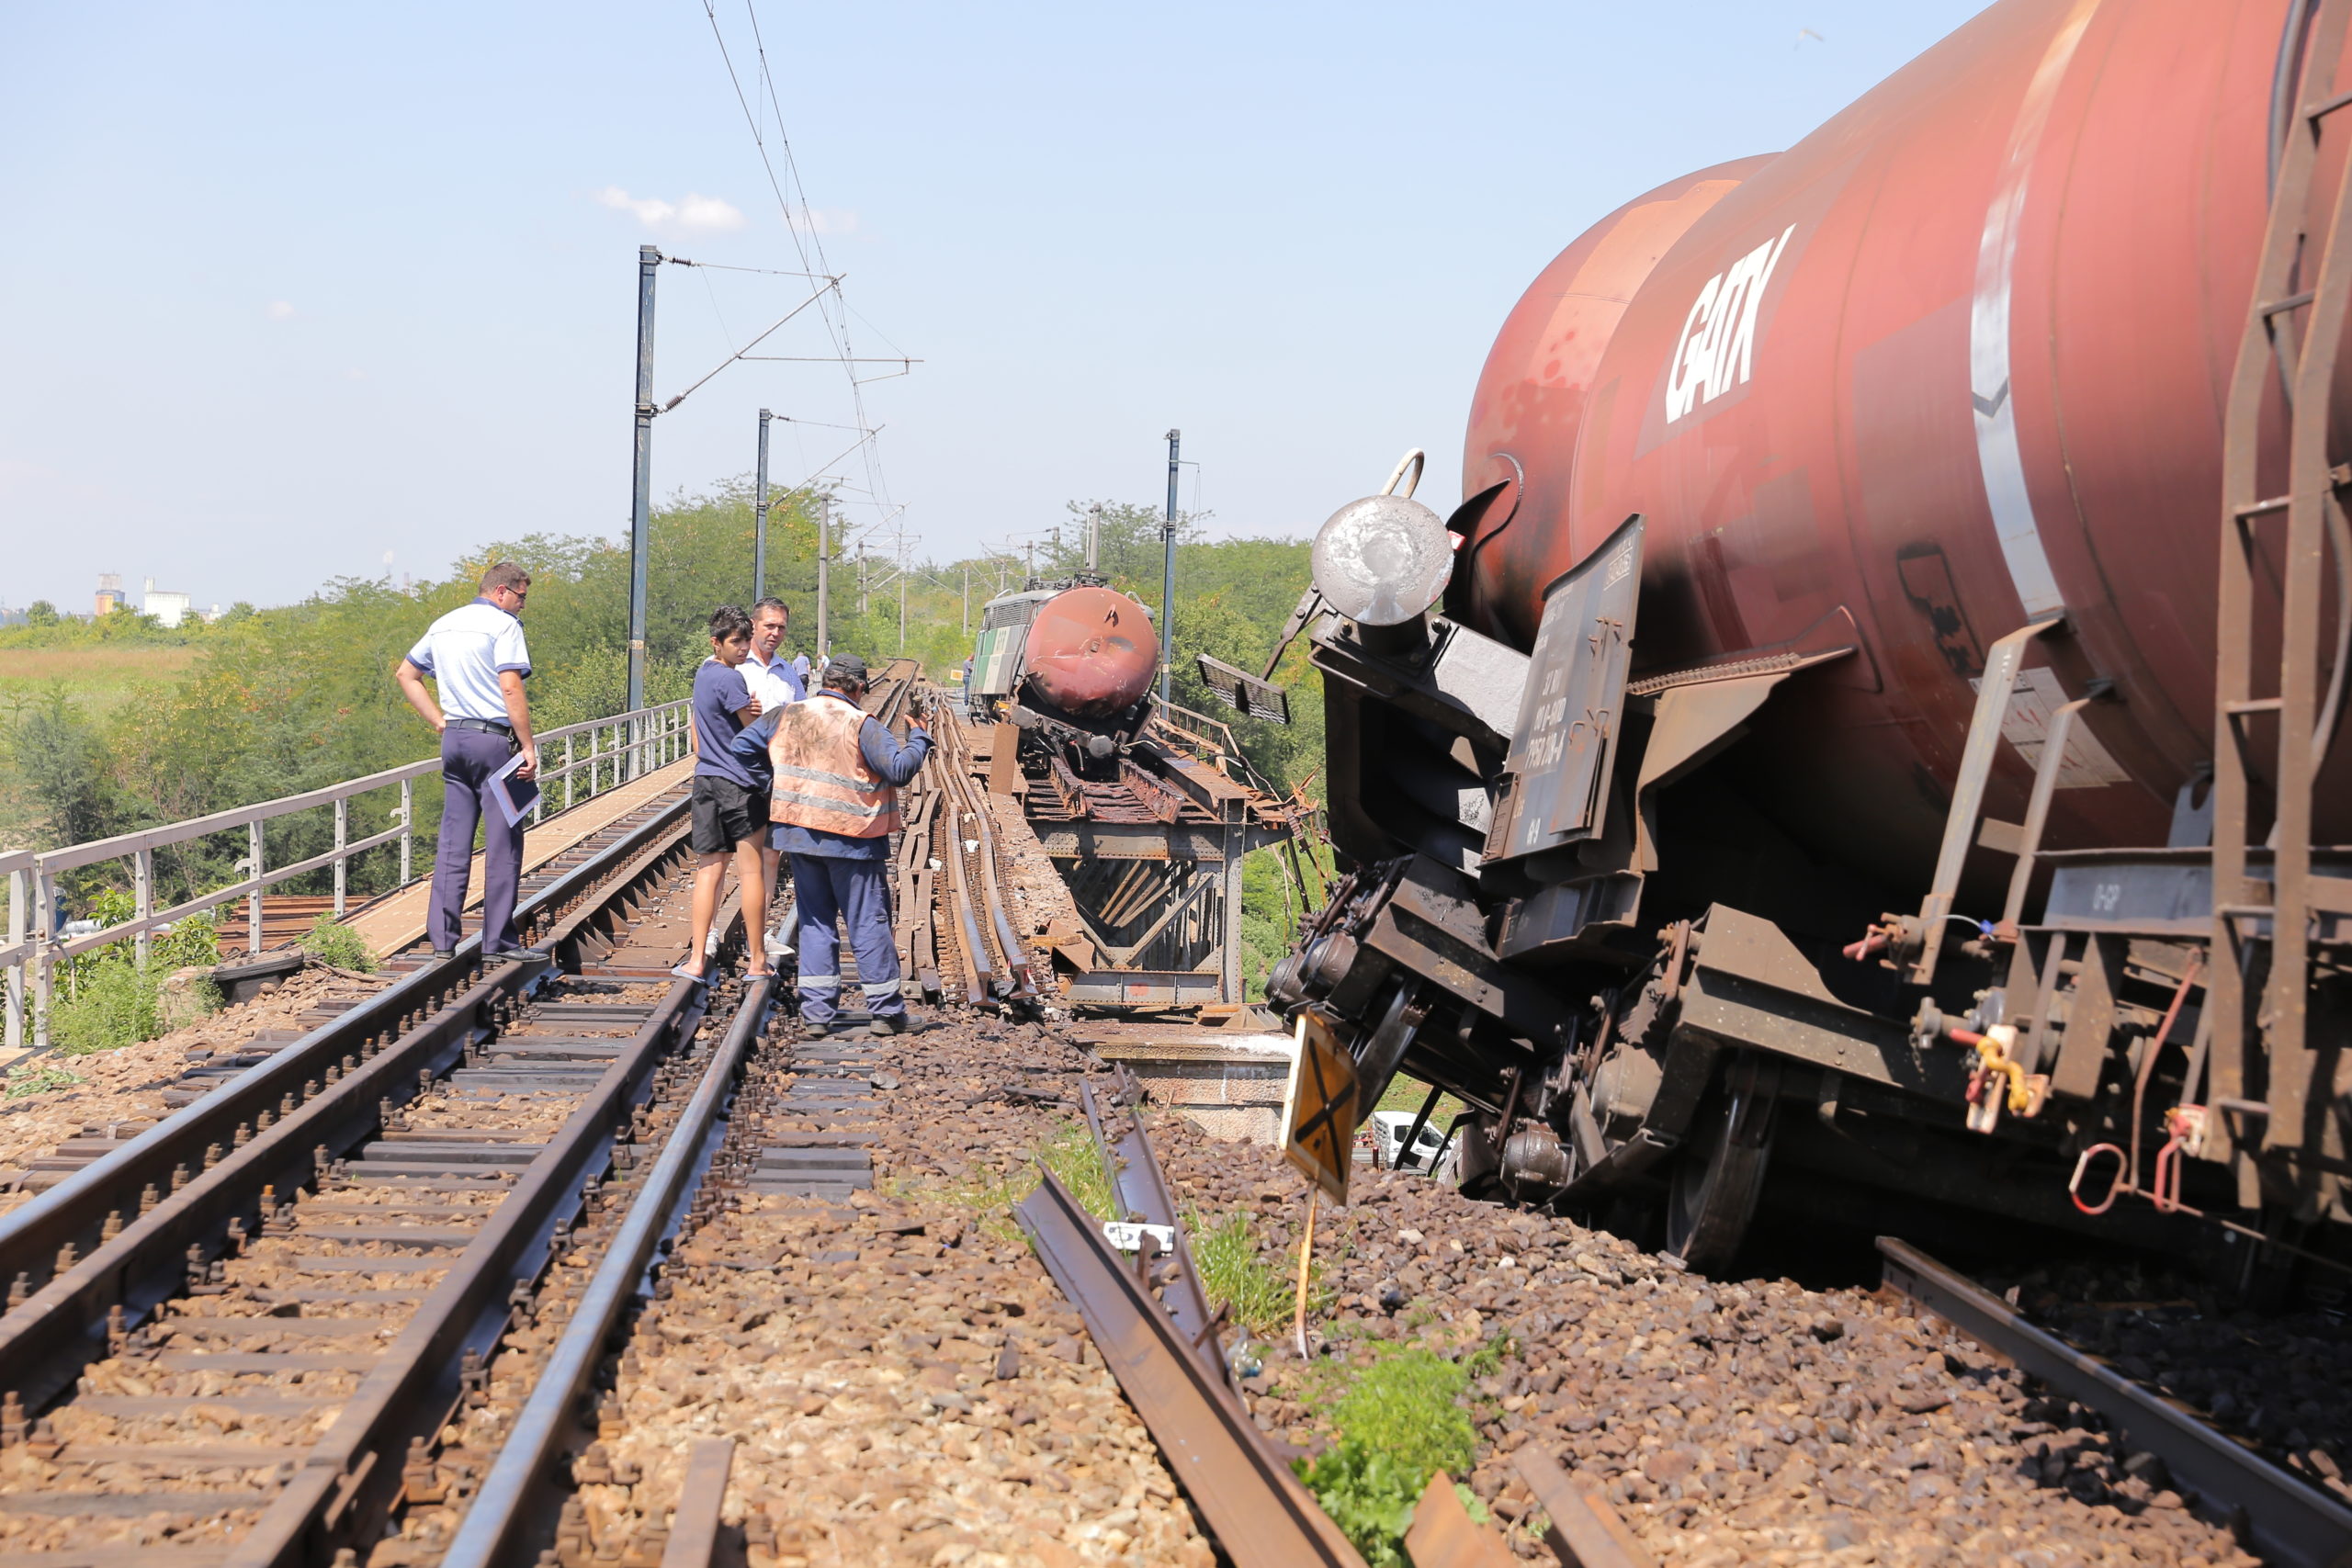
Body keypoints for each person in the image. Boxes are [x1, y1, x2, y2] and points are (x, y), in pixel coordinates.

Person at [765, 653, 931, 1033]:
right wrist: (919, 738)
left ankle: (817, 1016)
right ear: (858, 687)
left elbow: (744, 748)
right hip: (852, 840)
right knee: (867, 923)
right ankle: (887, 1013)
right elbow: (899, 769)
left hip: (801, 837)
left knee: (815, 923)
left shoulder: (787, 715)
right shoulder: (861, 723)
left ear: (825, 679)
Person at [394, 561, 540, 962]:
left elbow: (407, 674)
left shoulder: (443, 624)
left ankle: (442, 941)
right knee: (503, 843)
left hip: (455, 739)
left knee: (454, 843)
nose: (522, 605)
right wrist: (527, 745)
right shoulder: (503, 625)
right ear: (501, 592)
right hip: (493, 743)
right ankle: (498, 943)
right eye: (521, 596)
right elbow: (510, 688)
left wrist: (439, 721)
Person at [679, 605, 770, 983]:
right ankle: (757, 961)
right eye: (736, 641)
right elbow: (754, 732)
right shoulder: (732, 680)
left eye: (747, 639)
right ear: (716, 643)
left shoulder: (703, 673)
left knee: (708, 872)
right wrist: (760, 714)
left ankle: (696, 960)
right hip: (740, 783)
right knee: (751, 871)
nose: (744, 648)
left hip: (707, 781)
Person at [742, 596, 804, 953]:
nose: (776, 633)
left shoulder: (788, 674)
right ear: (753, 626)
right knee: (727, 855)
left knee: (769, 856)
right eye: (769, 626)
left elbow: (802, 722)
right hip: (738, 775)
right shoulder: (734, 666)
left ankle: (760, 937)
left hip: (777, 776)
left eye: (781, 627)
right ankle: (709, 937)